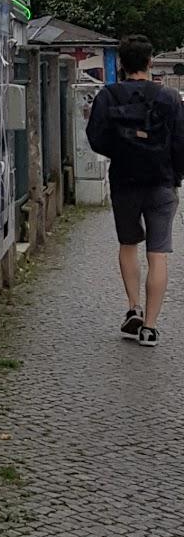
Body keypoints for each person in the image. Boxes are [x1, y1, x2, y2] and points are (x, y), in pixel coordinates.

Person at [87, 34, 184, 345]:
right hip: (162, 182)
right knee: (159, 253)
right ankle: (151, 328)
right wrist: (176, 177)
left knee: (128, 244)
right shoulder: (169, 98)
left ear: (121, 63)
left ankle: (133, 309)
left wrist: (121, 151)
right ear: (150, 62)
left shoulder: (108, 96)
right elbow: (181, 143)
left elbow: (96, 137)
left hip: (124, 181)